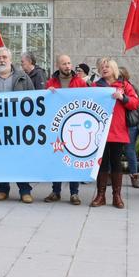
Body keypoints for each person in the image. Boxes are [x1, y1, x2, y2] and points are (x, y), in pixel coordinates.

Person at [0, 47, 36, 203]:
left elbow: (34, 99)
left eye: (4, 57)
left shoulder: (23, 77)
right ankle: (2, 189)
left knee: (20, 158)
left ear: (10, 59)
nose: (1, 60)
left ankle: (25, 190)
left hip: (18, 127)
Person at [90, 57, 139, 209]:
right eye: (102, 66)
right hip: (100, 131)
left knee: (116, 163)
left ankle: (116, 196)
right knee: (102, 163)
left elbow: (135, 103)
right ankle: (101, 195)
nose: (104, 68)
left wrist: (122, 97)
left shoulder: (124, 85)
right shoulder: (95, 86)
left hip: (118, 130)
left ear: (114, 69)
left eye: (107, 66)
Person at [44, 54, 88, 205]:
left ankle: (74, 193)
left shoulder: (80, 82)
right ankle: (56, 191)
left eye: (69, 63)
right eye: (64, 64)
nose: (67, 66)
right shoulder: (51, 82)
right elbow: (45, 104)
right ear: (58, 66)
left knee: (74, 158)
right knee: (57, 158)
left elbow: (88, 99)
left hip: (75, 125)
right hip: (56, 126)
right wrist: (47, 94)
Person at [120, 66, 139, 189]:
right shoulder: (112, 87)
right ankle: (109, 175)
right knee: (113, 151)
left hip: (130, 125)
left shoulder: (132, 88)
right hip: (117, 124)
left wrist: (135, 118)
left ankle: (134, 176)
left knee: (130, 151)